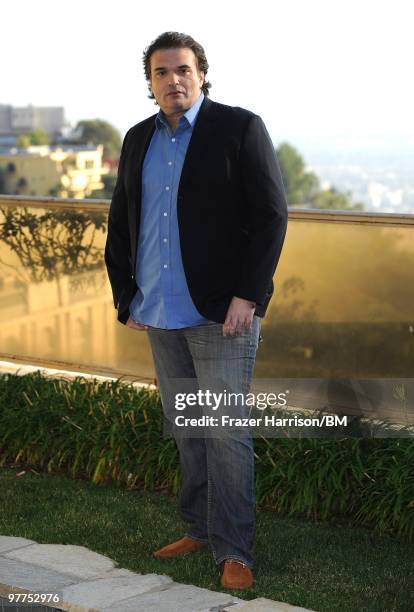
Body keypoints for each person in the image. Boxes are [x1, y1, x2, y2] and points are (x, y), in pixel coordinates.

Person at [104, 31, 288, 590]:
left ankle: (236, 550)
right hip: (159, 312)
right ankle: (200, 530)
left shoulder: (239, 128)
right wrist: (125, 294)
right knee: (188, 427)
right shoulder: (138, 139)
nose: (173, 80)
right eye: (162, 72)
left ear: (201, 73)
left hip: (221, 315)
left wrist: (248, 295)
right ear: (151, 82)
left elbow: (272, 215)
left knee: (225, 432)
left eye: (183, 69)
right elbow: (122, 222)